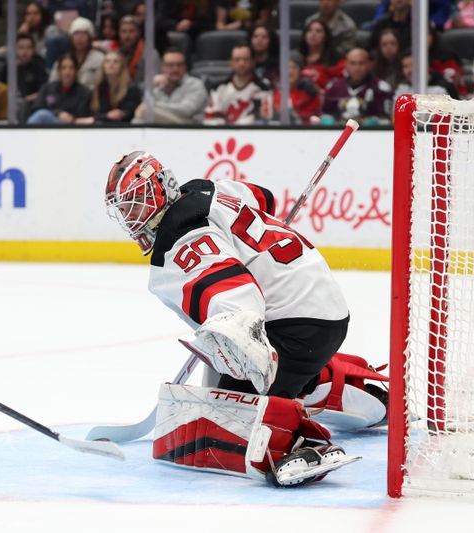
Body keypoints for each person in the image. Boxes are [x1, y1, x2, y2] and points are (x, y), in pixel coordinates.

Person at [103, 151, 387, 486]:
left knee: (233, 415)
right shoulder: (204, 188)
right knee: (229, 380)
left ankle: (303, 444)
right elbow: (262, 197)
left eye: (136, 203)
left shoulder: (181, 236)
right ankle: (350, 391)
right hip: (316, 306)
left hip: (299, 325)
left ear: (162, 188)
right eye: (123, 208)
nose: (129, 215)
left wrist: (236, 342)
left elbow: (240, 302)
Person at [133, 47, 207, 125]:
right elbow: (140, 110)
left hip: (189, 128)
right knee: (140, 117)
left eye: (179, 65)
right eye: (170, 65)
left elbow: (186, 110)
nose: (175, 69)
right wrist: (152, 85)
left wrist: (153, 105)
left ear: (185, 67)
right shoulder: (157, 85)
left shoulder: (195, 84)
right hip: (159, 131)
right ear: (162, 67)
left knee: (147, 112)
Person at [321, 47, 393, 125]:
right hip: (339, 134)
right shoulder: (334, 87)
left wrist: (373, 122)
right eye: (353, 63)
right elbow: (324, 114)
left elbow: (386, 119)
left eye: (361, 63)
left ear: (369, 64)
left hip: (370, 135)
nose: (357, 68)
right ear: (346, 65)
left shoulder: (381, 88)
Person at [204, 43, 272, 125]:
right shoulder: (218, 89)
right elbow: (211, 118)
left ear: (253, 62)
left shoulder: (263, 89)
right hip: (223, 135)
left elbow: (265, 119)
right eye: (237, 60)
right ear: (231, 63)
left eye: (245, 59)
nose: (241, 63)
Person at [76, 50, 141, 124]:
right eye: (107, 61)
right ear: (103, 66)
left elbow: (123, 114)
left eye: (116, 61)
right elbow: (86, 114)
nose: (111, 64)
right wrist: (102, 117)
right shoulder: (97, 90)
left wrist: (96, 119)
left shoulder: (131, 89)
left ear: (122, 66)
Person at [26, 53, 90, 124]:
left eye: (71, 68)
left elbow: (82, 116)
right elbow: (36, 108)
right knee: (42, 115)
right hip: (46, 127)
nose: (67, 72)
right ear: (59, 71)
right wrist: (58, 113)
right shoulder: (47, 88)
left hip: (71, 128)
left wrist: (69, 117)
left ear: (76, 71)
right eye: (63, 68)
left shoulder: (84, 93)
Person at [48, 17, 105, 90]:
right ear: (71, 38)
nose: (80, 38)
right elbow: (51, 86)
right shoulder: (64, 59)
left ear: (90, 37)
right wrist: (51, 100)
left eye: (84, 34)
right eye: (76, 34)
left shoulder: (99, 59)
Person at [298, 19, 345, 92]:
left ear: (325, 36)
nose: (313, 34)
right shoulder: (297, 57)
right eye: (309, 30)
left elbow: (341, 83)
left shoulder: (336, 58)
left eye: (318, 31)